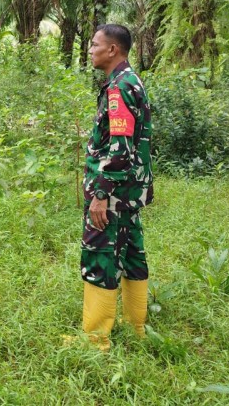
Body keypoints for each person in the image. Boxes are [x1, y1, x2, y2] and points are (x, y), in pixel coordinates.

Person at [81, 24, 153, 350]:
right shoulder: (131, 82)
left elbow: (121, 151)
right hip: (129, 194)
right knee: (133, 255)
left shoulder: (118, 89)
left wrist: (100, 195)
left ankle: (97, 341)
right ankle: (137, 329)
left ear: (113, 50)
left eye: (95, 44)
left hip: (112, 195)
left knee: (100, 258)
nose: (90, 49)